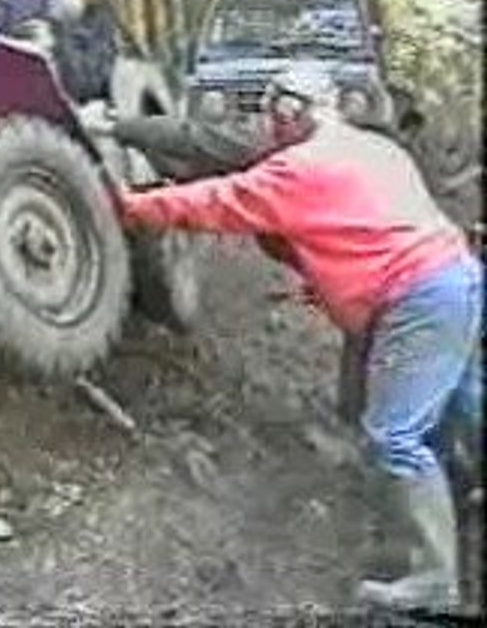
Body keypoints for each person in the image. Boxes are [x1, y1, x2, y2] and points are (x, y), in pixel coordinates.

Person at [115, 68, 482, 612]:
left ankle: (434, 579)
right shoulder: (373, 148)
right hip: (454, 279)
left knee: (393, 434)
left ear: (294, 111)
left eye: (275, 114)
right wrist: (336, 285)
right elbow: (367, 228)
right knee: (456, 401)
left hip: (416, 298)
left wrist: (132, 206)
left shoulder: (298, 168)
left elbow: (221, 201)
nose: (272, 125)